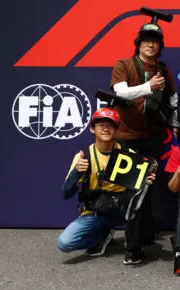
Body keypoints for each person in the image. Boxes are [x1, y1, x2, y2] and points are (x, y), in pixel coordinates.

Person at [110, 21, 179, 263]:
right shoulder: (124, 65)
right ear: (138, 43)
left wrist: (176, 124)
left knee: (149, 189)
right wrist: (148, 87)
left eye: (155, 40)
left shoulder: (163, 68)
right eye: (146, 40)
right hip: (126, 137)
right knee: (132, 191)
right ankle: (132, 248)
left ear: (160, 45)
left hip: (152, 138)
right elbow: (120, 93)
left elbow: (173, 98)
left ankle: (145, 236)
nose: (151, 44)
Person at [58, 108, 156, 263]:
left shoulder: (127, 153)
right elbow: (66, 193)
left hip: (122, 210)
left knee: (142, 198)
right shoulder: (84, 156)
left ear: (116, 130)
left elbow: (138, 190)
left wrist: (147, 179)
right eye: (101, 125)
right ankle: (101, 237)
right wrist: (76, 172)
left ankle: (134, 248)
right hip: (97, 211)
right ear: (92, 129)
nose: (105, 129)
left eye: (110, 125)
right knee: (64, 243)